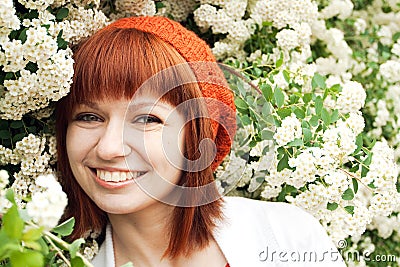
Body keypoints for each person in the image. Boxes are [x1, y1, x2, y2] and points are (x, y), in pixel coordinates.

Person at [56, 16, 346, 267]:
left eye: (146, 119)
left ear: (197, 140)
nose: (108, 148)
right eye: (89, 117)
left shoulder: (289, 238)